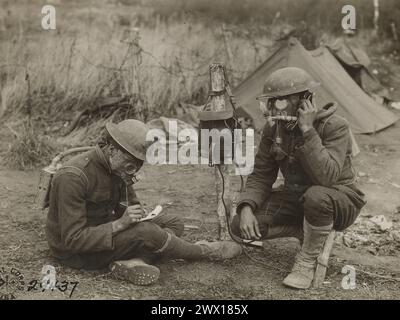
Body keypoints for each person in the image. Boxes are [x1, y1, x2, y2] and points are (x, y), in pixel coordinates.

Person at [45, 119, 242, 286]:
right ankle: (202, 251)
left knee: (172, 222)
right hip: (77, 253)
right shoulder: (73, 176)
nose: (133, 171)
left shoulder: (115, 167)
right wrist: (120, 224)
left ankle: (135, 261)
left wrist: (139, 214)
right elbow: (73, 240)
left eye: (138, 165)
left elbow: (127, 205)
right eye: (130, 164)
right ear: (112, 149)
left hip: (106, 231)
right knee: (148, 233)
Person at [231, 67, 366, 289]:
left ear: (305, 100)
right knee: (239, 225)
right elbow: (262, 175)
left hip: (338, 200)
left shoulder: (334, 126)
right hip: (297, 199)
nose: (276, 106)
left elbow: (328, 177)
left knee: (317, 196)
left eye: (283, 100)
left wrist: (307, 129)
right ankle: (304, 231)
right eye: (273, 100)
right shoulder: (274, 129)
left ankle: (306, 260)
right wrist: (245, 207)